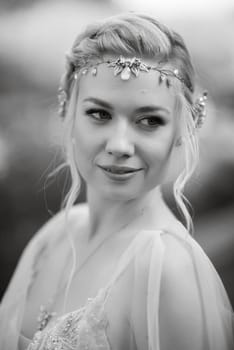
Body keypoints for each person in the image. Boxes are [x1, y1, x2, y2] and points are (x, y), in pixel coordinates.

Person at [0, 12, 233, 350]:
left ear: (182, 131)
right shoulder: (52, 238)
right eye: (99, 114)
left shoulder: (167, 268)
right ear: (68, 113)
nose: (120, 145)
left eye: (149, 120)